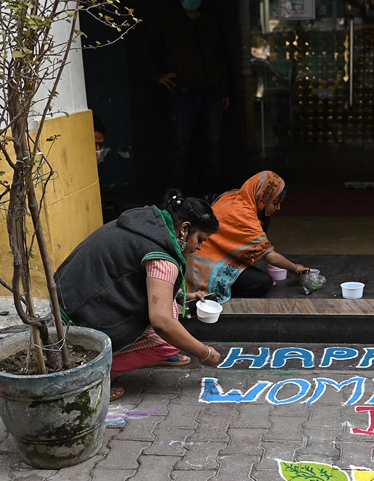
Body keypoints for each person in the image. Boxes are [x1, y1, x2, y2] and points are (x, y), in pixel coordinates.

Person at [55, 190, 224, 400]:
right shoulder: (162, 258)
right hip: (77, 320)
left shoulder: (148, 224)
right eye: (200, 239)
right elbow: (162, 322)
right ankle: (86, 376)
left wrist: (180, 296)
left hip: (64, 300)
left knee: (170, 308)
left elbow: (130, 273)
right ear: (185, 228)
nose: (199, 247)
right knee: (168, 339)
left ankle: (131, 354)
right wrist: (203, 352)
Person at [145, 0, 230, 195]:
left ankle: (214, 193)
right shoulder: (167, 20)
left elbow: (220, 57)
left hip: (211, 92)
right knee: (180, 146)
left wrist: (224, 89)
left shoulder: (209, 21)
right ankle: (179, 195)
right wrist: (157, 75)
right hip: (182, 92)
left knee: (212, 146)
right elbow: (146, 45)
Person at [186, 171, 307, 303]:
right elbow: (272, 257)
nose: (278, 208)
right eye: (275, 203)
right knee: (264, 283)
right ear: (263, 198)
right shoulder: (244, 214)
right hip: (205, 267)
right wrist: (294, 267)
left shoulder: (234, 195)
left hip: (219, 254)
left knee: (266, 218)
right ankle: (220, 288)